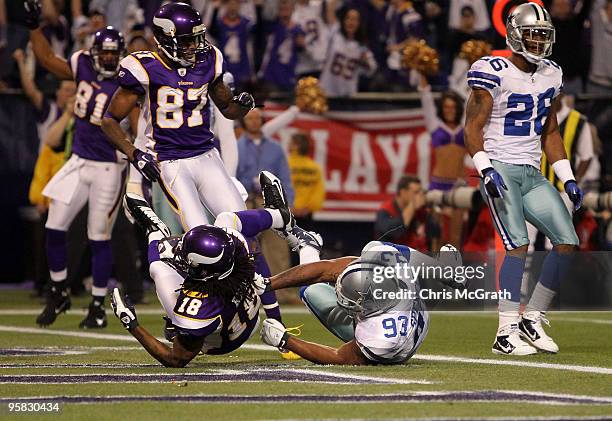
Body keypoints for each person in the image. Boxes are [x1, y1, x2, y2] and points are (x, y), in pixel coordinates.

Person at [464, 4, 582, 356]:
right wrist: (485, 168)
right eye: (531, 33)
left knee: (566, 241)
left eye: (543, 34)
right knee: (517, 245)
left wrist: (567, 177)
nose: (537, 40)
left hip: (531, 171)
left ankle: (532, 317)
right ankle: (505, 332)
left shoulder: (551, 73)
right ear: (515, 32)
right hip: (500, 166)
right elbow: (471, 128)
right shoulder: (493, 70)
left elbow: (551, 132)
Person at [111, 172, 299, 367]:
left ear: (205, 273)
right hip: (245, 306)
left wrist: (132, 324)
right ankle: (279, 215)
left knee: (159, 268)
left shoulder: (201, 307)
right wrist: (276, 319)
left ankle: (154, 233)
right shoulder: (234, 247)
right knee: (228, 221)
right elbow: (251, 255)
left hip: (224, 340)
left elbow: (176, 359)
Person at [101, 2, 255, 232]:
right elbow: (108, 120)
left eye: (196, 39)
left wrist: (242, 106)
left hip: (207, 155)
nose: (194, 46)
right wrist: (134, 154)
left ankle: (255, 269)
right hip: (171, 162)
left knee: (242, 225)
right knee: (199, 234)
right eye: (186, 41)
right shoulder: (145, 67)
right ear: (163, 40)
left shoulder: (208, 59)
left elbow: (227, 109)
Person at [23, 0, 128, 329]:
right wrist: (33, 26)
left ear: (120, 53)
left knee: (98, 235)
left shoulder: (128, 80)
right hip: (79, 159)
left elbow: (138, 120)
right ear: (95, 52)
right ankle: (58, 289)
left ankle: (97, 305)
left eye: (114, 53)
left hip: (109, 166)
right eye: (105, 52)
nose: (109, 58)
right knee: (53, 228)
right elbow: (45, 59)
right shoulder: (82, 62)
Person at [257, 229, 464, 365]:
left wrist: (285, 340)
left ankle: (308, 248)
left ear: (365, 309)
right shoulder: (391, 265)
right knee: (375, 248)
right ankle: (444, 271)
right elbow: (324, 270)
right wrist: (267, 284)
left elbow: (340, 357)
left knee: (309, 292)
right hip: (400, 300)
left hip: (396, 344)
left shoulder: (381, 339)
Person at [319, 6, 377, 97]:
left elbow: (371, 70)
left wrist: (365, 61)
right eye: (348, 18)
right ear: (343, 20)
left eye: (355, 19)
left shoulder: (362, 47)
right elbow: (330, 9)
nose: (351, 22)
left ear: (359, 23)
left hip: (347, 94)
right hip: (326, 90)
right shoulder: (334, 35)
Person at [374, 175, 439, 253]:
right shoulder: (385, 210)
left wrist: (429, 210)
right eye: (416, 192)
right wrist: (412, 206)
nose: (419, 196)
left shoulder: (420, 211)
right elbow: (395, 232)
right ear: (403, 192)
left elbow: (436, 232)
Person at [288, 131, 325, 231]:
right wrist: (307, 208)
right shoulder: (314, 167)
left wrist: (288, 207)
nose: (288, 145)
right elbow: (318, 192)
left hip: (287, 212)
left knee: (285, 246)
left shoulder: (285, 164)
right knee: (305, 245)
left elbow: (280, 187)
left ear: (296, 146)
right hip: (306, 214)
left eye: (291, 143)